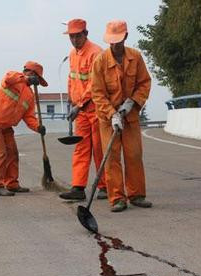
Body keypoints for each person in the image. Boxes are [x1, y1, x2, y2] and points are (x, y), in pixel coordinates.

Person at [92, 20, 152, 212]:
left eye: (118, 41)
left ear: (125, 37)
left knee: (134, 155)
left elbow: (144, 83)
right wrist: (112, 114)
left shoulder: (135, 57)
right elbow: (97, 93)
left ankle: (136, 195)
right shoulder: (100, 61)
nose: (115, 45)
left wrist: (132, 102)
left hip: (130, 115)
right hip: (108, 118)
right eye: (111, 41)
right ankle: (117, 197)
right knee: (111, 157)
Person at [59, 19, 107, 202]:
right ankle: (78, 187)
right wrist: (72, 101)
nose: (74, 39)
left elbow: (95, 84)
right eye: (71, 36)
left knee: (99, 149)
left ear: (85, 34)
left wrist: (79, 105)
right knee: (81, 148)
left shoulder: (96, 53)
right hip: (81, 111)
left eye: (78, 36)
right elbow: (72, 79)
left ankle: (105, 186)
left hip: (95, 109)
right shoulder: (73, 54)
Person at [0, 61, 47, 196]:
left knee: (12, 154)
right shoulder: (14, 77)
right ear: (29, 72)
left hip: (6, 126)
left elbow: (29, 117)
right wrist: (26, 79)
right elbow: (8, 78)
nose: (37, 82)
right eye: (38, 79)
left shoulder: (29, 95)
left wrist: (38, 127)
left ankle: (12, 184)